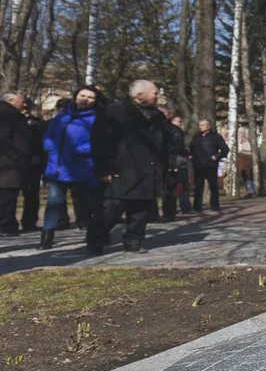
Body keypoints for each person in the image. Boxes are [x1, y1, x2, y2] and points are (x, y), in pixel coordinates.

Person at [90, 80, 181, 253]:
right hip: (121, 168)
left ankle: (133, 241)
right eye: (155, 93)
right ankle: (96, 240)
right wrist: (104, 168)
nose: (158, 96)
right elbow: (100, 142)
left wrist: (171, 158)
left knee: (141, 209)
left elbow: (168, 141)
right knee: (112, 208)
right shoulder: (114, 111)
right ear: (140, 95)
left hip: (149, 169)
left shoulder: (157, 115)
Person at [39, 86, 105, 251]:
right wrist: (49, 147)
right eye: (82, 95)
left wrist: (79, 149)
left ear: (96, 101)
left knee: (90, 204)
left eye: (90, 97)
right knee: (53, 203)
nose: (85, 99)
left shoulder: (98, 118)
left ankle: (98, 235)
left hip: (82, 168)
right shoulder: (62, 116)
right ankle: (46, 238)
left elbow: (101, 143)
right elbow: (49, 134)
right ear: (76, 96)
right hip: (58, 168)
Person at [0, 90, 32, 236]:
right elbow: (3, 138)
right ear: (11, 101)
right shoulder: (7, 113)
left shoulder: (11, 114)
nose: (23, 103)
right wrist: (16, 156)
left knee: (9, 196)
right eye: (21, 100)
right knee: (7, 196)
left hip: (9, 163)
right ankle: (5, 225)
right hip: (8, 164)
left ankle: (10, 224)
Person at [189, 119, 229, 211]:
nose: (200, 127)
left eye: (202, 125)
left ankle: (214, 206)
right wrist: (191, 156)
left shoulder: (216, 137)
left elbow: (225, 149)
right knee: (198, 187)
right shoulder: (196, 137)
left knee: (213, 186)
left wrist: (216, 156)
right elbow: (191, 148)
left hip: (211, 165)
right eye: (199, 125)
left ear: (208, 126)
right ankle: (197, 207)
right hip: (198, 165)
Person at [20, 98, 45, 232]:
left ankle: (29, 223)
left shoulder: (37, 123)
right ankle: (7, 223)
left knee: (31, 195)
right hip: (17, 163)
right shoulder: (12, 121)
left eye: (27, 107)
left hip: (33, 163)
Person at [169, 115, 193, 215]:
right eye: (179, 121)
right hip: (176, 164)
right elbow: (178, 148)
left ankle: (185, 208)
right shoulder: (174, 133)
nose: (181, 123)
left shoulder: (181, 133)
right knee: (177, 188)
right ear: (173, 122)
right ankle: (176, 209)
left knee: (182, 188)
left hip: (181, 164)